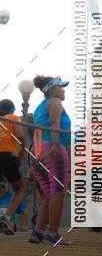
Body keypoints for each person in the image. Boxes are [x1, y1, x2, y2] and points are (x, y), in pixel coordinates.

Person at [29, 76, 72, 245]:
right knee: (58, 192)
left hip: (37, 151)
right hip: (53, 149)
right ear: (51, 89)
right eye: (60, 87)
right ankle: (53, 234)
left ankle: (38, 232)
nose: (63, 89)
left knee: (48, 194)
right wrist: (56, 144)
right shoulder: (55, 102)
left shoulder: (40, 107)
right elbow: (55, 124)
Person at [0, 99, 27, 235]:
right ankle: (6, 218)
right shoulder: (13, 118)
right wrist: (22, 150)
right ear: (12, 110)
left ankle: (7, 222)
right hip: (8, 155)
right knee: (19, 189)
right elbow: (21, 136)